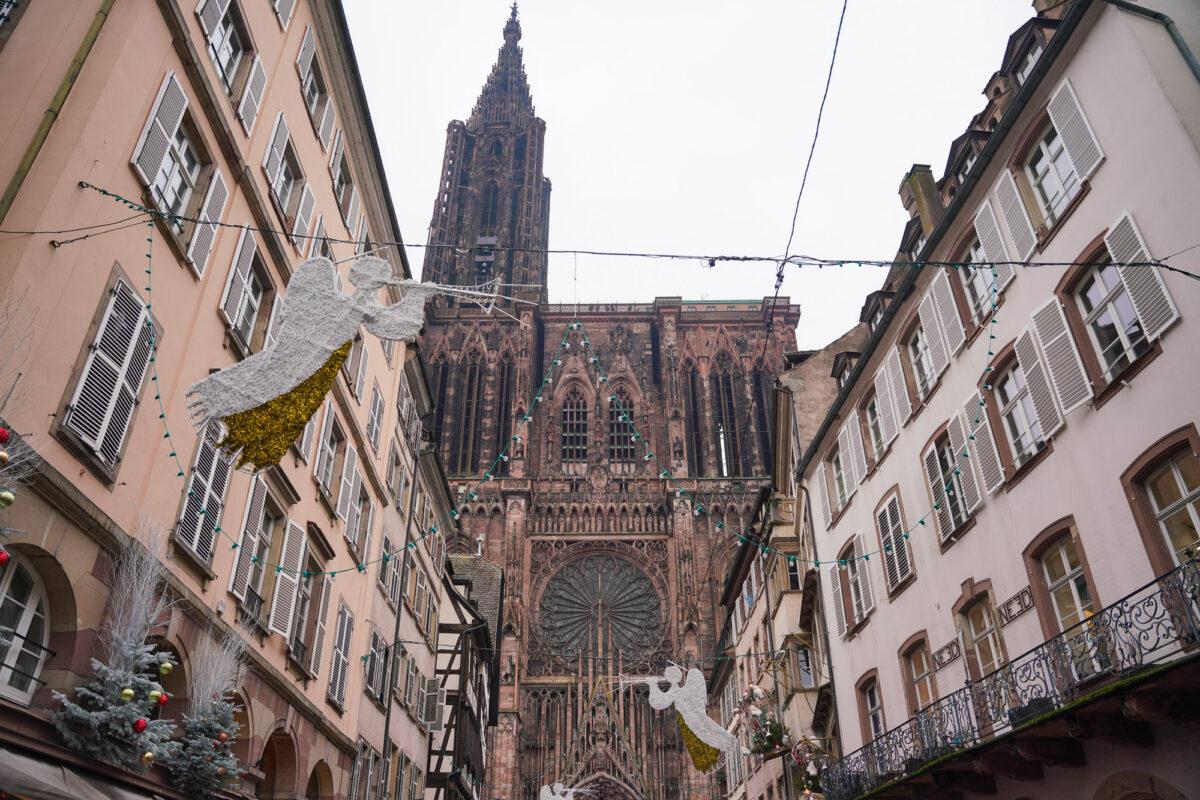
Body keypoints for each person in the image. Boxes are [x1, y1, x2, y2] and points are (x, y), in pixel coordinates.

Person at [185, 256, 437, 470]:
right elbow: (396, 323)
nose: (376, 283)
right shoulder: (348, 303)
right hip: (305, 357)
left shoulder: (364, 307)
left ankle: (235, 428)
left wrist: (416, 297)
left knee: (277, 400)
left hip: (316, 365)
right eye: (377, 278)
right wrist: (415, 296)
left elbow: (399, 325)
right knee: (269, 387)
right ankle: (221, 411)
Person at [645, 664, 737, 772]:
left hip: (688, 721)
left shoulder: (674, 692)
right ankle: (720, 749)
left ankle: (712, 757)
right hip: (693, 718)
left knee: (701, 739)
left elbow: (658, 702)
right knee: (705, 736)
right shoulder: (683, 689)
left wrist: (653, 685)